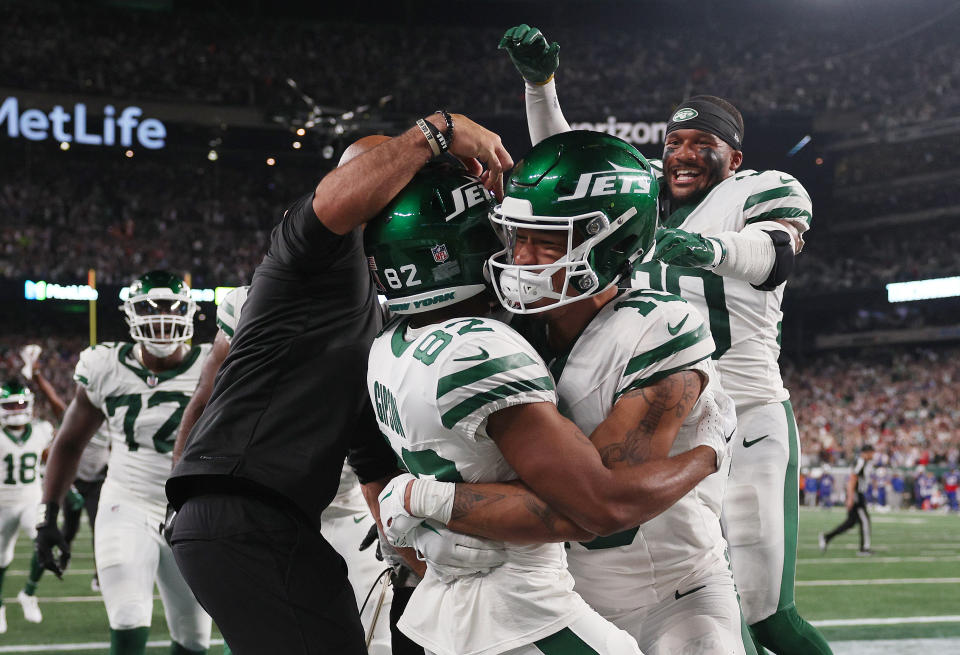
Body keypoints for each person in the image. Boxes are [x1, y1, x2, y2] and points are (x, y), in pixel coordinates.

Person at [498, 24, 831, 655]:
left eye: (700, 143)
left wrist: (707, 248)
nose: (680, 153)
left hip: (745, 412)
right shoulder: (645, 191)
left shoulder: (760, 189)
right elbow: (569, 162)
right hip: (649, 411)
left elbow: (776, 254)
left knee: (766, 613)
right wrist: (540, 87)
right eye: (674, 141)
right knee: (648, 588)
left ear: (733, 157)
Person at [373, 133, 745, 655]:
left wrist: (429, 501)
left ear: (615, 241)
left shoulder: (661, 325)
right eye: (515, 236)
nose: (521, 259)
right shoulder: (506, 329)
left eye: (547, 241)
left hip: (673, 598)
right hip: (563, 600)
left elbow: (600, 509)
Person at [165, 112, 513, 655]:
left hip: (265, 520)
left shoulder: (379, 332)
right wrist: (434, 133)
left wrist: (414, 561)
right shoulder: (308, 257)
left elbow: (371, 460)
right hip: (242, 510)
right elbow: (335, 203)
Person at [35, 270, 213, 655]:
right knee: (129, 614)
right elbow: (68, 443)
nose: (162, 318)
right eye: (152, 307)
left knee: (195, 636)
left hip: (191, 509)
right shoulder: (106, 365)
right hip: (126, 501)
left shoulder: (210, 365)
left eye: (171, 308)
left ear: (188, 313)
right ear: (131, 314)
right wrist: (49, 514)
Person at [22, 344, 110, 592]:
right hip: (74, 481)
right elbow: (52, 399)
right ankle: (63, 555)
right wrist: (37, 376)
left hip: (97, 482)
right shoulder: (77, 415)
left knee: (99, 528)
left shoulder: (113, 419)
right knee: (68, 529)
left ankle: (99, 574)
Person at [0, 381, 54, 632]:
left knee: (44, 541)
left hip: (32, 499)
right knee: (1, 558)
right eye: (10, 405)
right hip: (2, 504)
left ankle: (29, 592)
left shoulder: (42, 430)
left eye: (20, 404)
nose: (16, 410)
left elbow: (51, 460)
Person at [819, 444, 875, 555]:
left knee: (850, 523)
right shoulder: (860, 462)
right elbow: (852, 479)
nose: (873, 455)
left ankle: (827, 537)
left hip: (857, 494)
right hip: (856, 495)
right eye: (872, 452)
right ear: (867, 452)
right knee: (865, 520)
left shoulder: (863, 462)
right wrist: (850, 498)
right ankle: (864, 548)